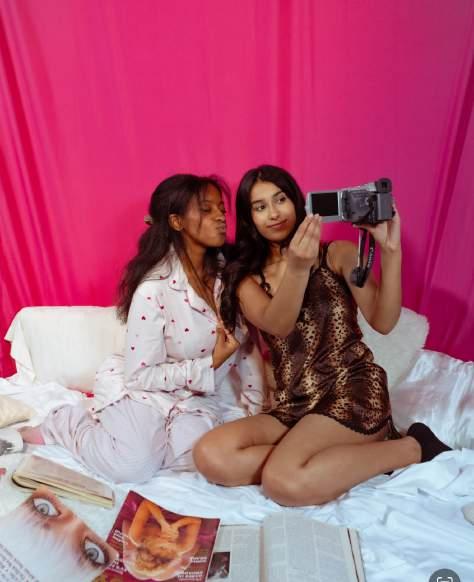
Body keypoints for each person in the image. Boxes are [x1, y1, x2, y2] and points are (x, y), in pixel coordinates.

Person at [193, 164, 451, 507]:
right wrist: (298, 267)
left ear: (297, 202)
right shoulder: (246, 279)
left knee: (283, 483)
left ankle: (412, 447)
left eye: (280, 199)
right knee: (211, 455)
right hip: (296, 402)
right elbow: (279, 323)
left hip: (352, 390)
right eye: (260, 206)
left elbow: (384, 321)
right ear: (249, 218)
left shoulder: (337, 254)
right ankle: (336, 458)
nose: (274, 213)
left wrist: (391, 252)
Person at [20, 174, 264, 483]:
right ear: (176, 222)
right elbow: (140, 376)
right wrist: (210, 364)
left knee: (193, 460)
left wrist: (257, 409)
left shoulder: (231, 277)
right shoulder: (154, 289)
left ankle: (137, 432)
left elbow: (246, 346)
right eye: (206, 209)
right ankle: (68, 423)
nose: (220, 217)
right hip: (146, 391)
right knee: (130, 467)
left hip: (195, 398)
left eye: (221, 209)